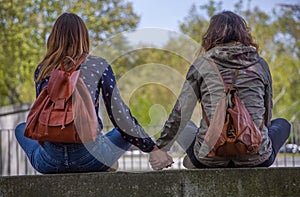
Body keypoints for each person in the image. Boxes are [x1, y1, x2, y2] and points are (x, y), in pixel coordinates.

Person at [15, 12, 172, 174]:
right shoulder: (97, 65)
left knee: (21, 128)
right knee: (123, 130)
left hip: (49, 163)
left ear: (54, 37)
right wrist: (152, 149)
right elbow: (121, 117)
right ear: (83, 37)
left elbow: (40, 123)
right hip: (91, 159)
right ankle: (109, 159)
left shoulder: (42, 70)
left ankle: (101, 152)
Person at [153, 11, 291, 169]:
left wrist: (161, 148)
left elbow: (181, 111)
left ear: (211, 35)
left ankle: (194, 159)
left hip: (208, 157)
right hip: (256, 156)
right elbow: (266, 111)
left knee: (185, 125)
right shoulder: (260, 64)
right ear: (243, 34)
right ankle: (251, 152)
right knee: (283, 124)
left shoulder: (202, 65)